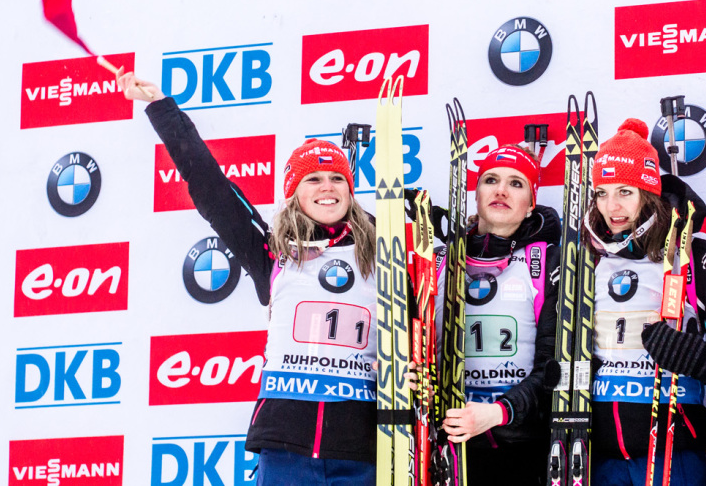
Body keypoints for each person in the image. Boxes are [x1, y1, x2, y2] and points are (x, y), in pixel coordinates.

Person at [118, 71, 378, 486]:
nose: (327, 187)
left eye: (337, 179)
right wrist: (162, 109)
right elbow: (210, 187)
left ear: (350, 191)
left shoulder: (384, 254)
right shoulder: (274, 253)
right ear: (295, 192)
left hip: (363, 448)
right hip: (285, 448)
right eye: (313, 178)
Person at [585, 119, 706, 486]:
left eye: (625, 191)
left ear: (648, 193)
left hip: (673, 455)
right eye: (601, 193)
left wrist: (698, 357)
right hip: (601, 457)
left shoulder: (693, 257)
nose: (612, 206)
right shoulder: (586, 260)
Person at [439, 144, 561, 486]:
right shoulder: (437, 262)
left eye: (516, 183)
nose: (501, 190)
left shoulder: (548, 262)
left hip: (521, 449)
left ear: (531, 204)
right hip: (448, 447)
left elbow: (557, 369)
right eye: (490, 180)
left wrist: (499, 412)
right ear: (476, 195)